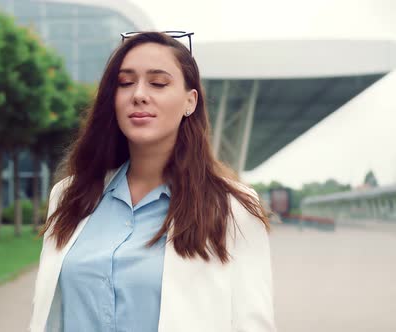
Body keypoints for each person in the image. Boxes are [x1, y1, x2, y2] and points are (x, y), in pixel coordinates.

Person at [29, 31, 276, 332]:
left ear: (190, 101)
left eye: (158, 83)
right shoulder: (69, 196)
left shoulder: (232, 208)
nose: (139, 94)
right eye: (125, 83)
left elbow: (253, 324)